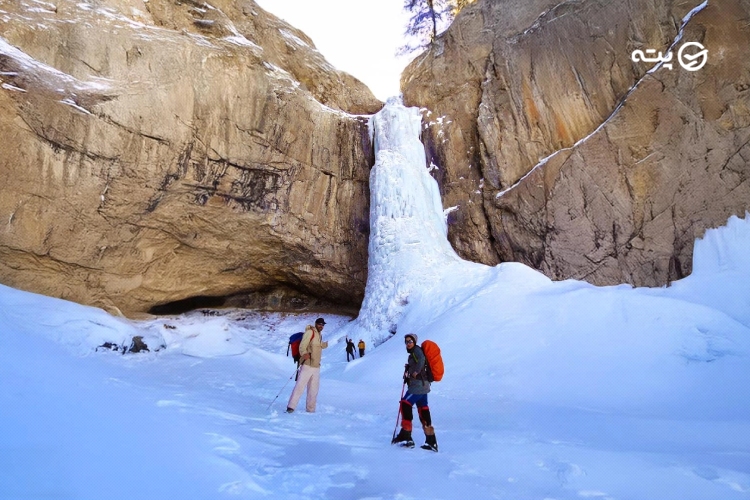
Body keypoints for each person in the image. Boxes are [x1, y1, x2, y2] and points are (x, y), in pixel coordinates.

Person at [391, 333, 438, 451]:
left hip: (418, 386)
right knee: (423, 409)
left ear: (414, 342)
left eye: (410, 341)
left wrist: (415, 371)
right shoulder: (413, 353)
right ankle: (431, 441)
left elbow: (421, 359)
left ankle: (406, 436)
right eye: (406, 341)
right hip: (424, 385)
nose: (408, 343)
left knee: (405, 403)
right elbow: (419, 362)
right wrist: (409, 368)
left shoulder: (416, 351)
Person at [286, 318, 329, 413]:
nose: (321, 326)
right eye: (320, 324)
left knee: (314, 390)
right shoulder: (310, 332)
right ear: (316, 324)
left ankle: (311, 410)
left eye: (323, 325)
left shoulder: (319, 335)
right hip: (307, 365)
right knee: (300, 386)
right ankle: (291, 407)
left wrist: (326, 344)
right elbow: (302, 345)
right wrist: (304, 353)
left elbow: (319, 345)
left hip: (316, 366)